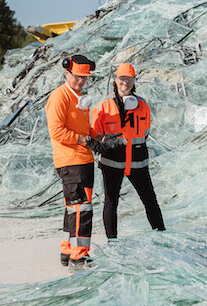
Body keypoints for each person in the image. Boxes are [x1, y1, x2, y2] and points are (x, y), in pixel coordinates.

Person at [45, 54, 124, 269]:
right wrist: (85, 140)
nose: (80, 81)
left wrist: (101, 138)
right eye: (77, 77)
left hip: (83, 160)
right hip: (70, 161)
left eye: (84, 78)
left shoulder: (78, 98)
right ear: (66, 72)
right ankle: (79, 255)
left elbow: (84, 128)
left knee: (73, 208)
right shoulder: (59, 97)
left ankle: (67, 249)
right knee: (81, 208)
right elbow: (56, 132)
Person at [91, 63, 165, 239]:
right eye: (122, 78)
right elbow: (94, 134)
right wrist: (109, 143)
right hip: (112, 162)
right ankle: (112, 242)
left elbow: (145, 131)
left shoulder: (142, 105)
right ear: (115, 80)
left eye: (129, 79)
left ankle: (162, 237)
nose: (125, 82)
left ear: (134, 81)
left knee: (150, 200)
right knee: (111, 202)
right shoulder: (103, 106)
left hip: (138, 161)